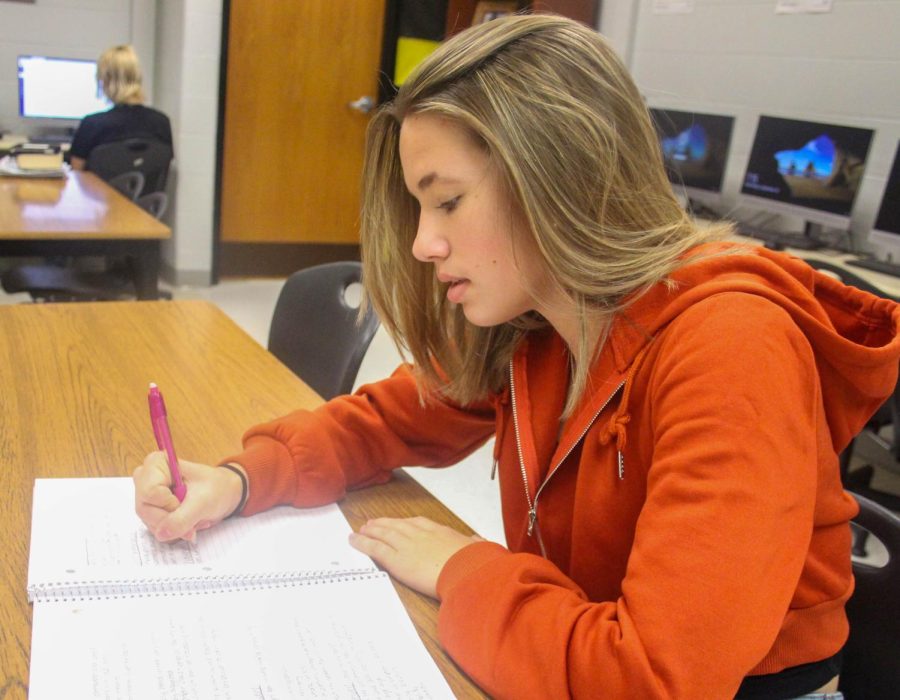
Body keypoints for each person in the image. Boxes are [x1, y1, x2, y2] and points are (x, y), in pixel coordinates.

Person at [133, 15, 900, 699]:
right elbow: (383, 424)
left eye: (449, 201)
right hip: (576, 645)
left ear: (559, 176)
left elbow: (655, 680)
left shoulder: (732, 347)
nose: (423, 244)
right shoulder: (538, 321)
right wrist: (238, 480)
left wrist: (464, 568)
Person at [68, 44, 172, 171]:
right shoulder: (161, 122)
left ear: (105, 80)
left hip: (99, 191)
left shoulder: (92, 125)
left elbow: (77, 174)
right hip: (147, 191)